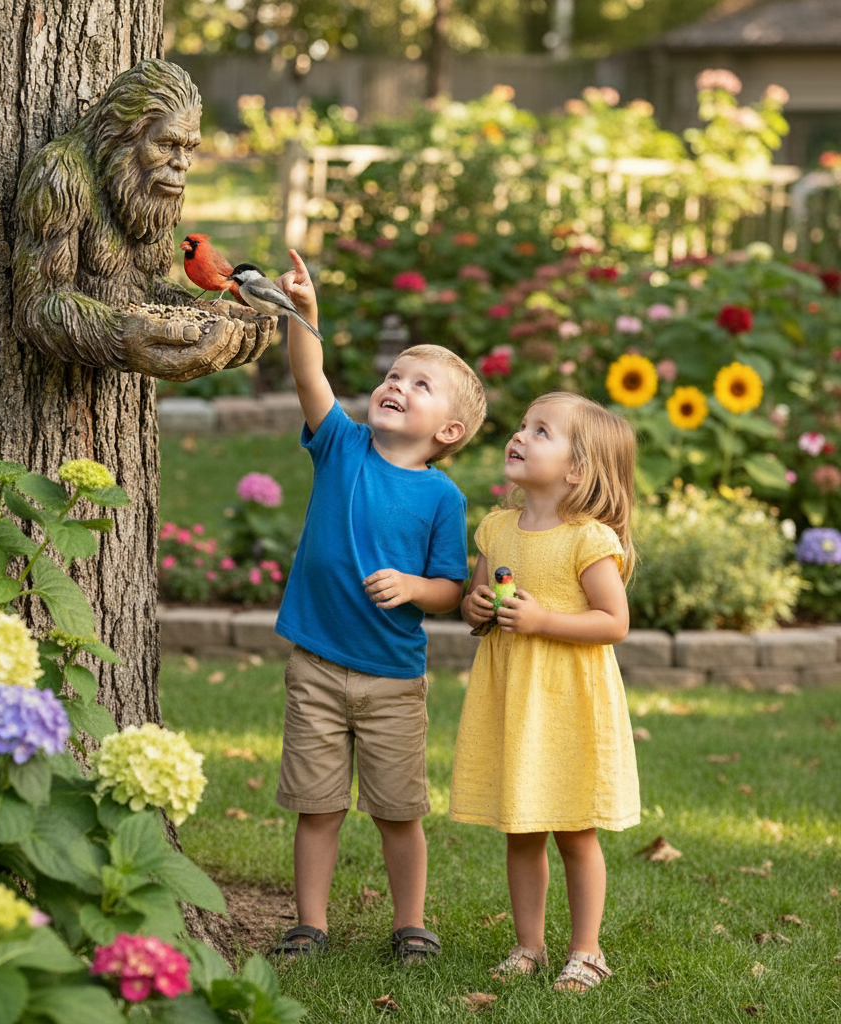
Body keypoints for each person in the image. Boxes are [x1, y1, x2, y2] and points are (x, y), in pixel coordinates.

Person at [270, 249, 487, 963]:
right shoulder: (342, 447)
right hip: (318, 667)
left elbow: (452, 591)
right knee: (318, 805)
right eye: (395, 375)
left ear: (447, 432)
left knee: (399, 812)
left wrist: (413, 587)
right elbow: (310, 374)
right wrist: (305, 313)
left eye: (419, 385)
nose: (396, 385)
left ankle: (411, 923)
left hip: (394, 680)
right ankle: (310, 924)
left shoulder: (442, 499)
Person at [449, 391, 640, 993]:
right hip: (515, 701)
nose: (521, 436)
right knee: (522, 827)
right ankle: (527, 945)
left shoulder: (588, 540)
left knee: (575, 832)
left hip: (567, 707)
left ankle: (587, 951)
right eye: (523, 426)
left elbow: (614, 623)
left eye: (541, 431)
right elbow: (478, 608)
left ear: (576, 469)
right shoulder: (497, 528)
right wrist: (474, 606)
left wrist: (544, 621)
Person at [13, 59, 273, 380]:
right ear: (123, 136)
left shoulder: (157, 193)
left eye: (189, 148)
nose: (181, 164)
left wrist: (200, 311)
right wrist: (120, 337)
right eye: (165, 144)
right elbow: (40, 303)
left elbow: (146, 286)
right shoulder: (62, 174)